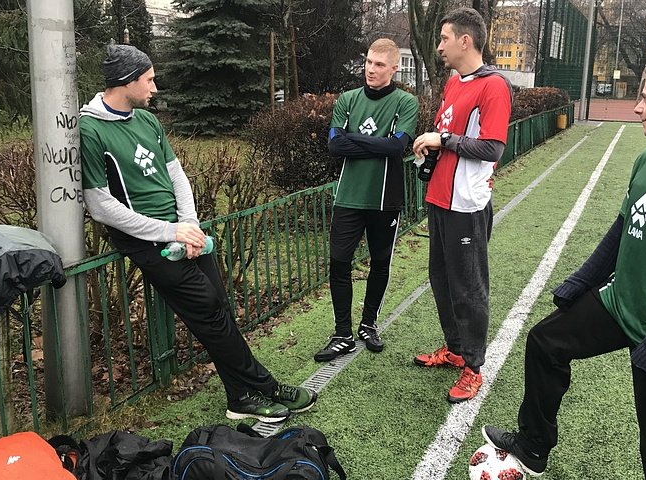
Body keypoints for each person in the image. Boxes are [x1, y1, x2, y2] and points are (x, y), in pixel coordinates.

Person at [482, 60, 646, 478]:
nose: (637, 108)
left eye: (644, 98)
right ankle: (534, 445)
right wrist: (581, 282)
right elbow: (622, 229)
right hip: (620, 305)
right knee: (546, 343)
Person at [79, 44, 317, 423]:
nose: (154, 88)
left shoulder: (148, 121)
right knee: (209, 309)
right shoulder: (90, 129)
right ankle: (267, 387)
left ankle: (239, 397)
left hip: (183, 233)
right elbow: (100, 206)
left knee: (219, 309)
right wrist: (171, 231)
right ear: (126, 81)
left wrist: (188, 226)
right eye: (149, 80)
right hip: (148, 242)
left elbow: (176, 175)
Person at [411, 8, 512, 404]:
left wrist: (444, 141)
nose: (439, 46)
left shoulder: (494, 86)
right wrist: (431, 143)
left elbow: (493, 147)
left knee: (469, 288)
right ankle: (455, 349)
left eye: (445, 38)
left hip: (467, 205)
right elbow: (447, 131)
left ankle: (473, 367)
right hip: (439, 198)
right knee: (441, 279)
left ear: (465, 41)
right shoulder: (454, 83)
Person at [314, 39, 419, 362]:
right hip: (349, 196)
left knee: (380, 263)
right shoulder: (347, 100)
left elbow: (397, 148)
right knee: (339, 262)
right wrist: (378, 143)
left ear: (394, 68)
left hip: (385, 199)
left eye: (379, 65)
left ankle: (368, 324)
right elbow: (335, 146)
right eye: (369, 63)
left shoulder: (406, 102)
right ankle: (342, 334)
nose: (371, 70)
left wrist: (353, 138)